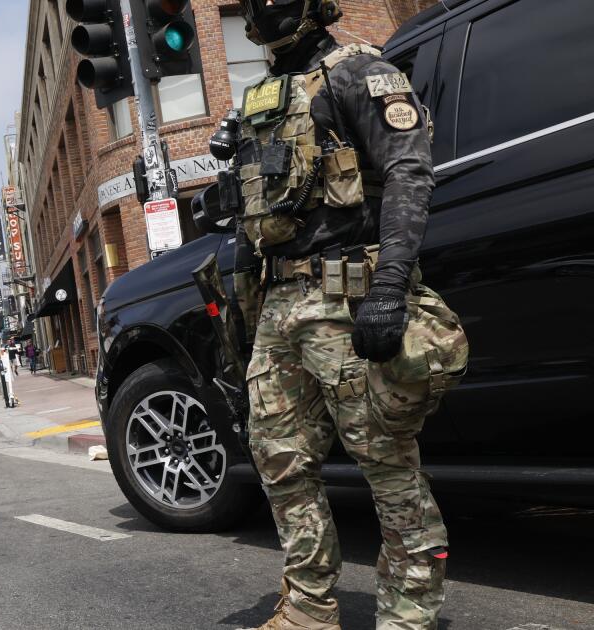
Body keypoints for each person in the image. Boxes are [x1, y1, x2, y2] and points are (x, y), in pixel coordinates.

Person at [226, 2, 469, 629]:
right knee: (279, 458)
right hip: (280, 306)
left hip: (347, 298)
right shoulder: (264, 100)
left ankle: (409, 616)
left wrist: (389, 287)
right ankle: (308, 609)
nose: (264, 11)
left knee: (385, 461)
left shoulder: (358, 72)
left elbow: (410, 172)